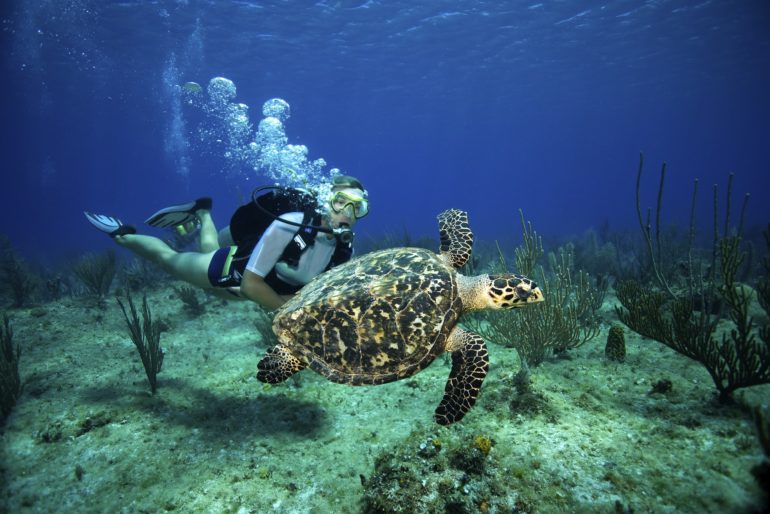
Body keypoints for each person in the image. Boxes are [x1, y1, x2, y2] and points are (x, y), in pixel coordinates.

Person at [84, 176, 369, 310]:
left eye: (358, 208)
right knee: (168, 259)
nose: (347, 213)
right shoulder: (291, 223)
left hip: (243, 293)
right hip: (228, 272)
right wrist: (292, 309)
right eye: (340, 202)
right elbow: (251, 285)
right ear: (324, 200)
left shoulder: (345, 249)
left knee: (208, 248)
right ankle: (123, 235)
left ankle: (203, 212)